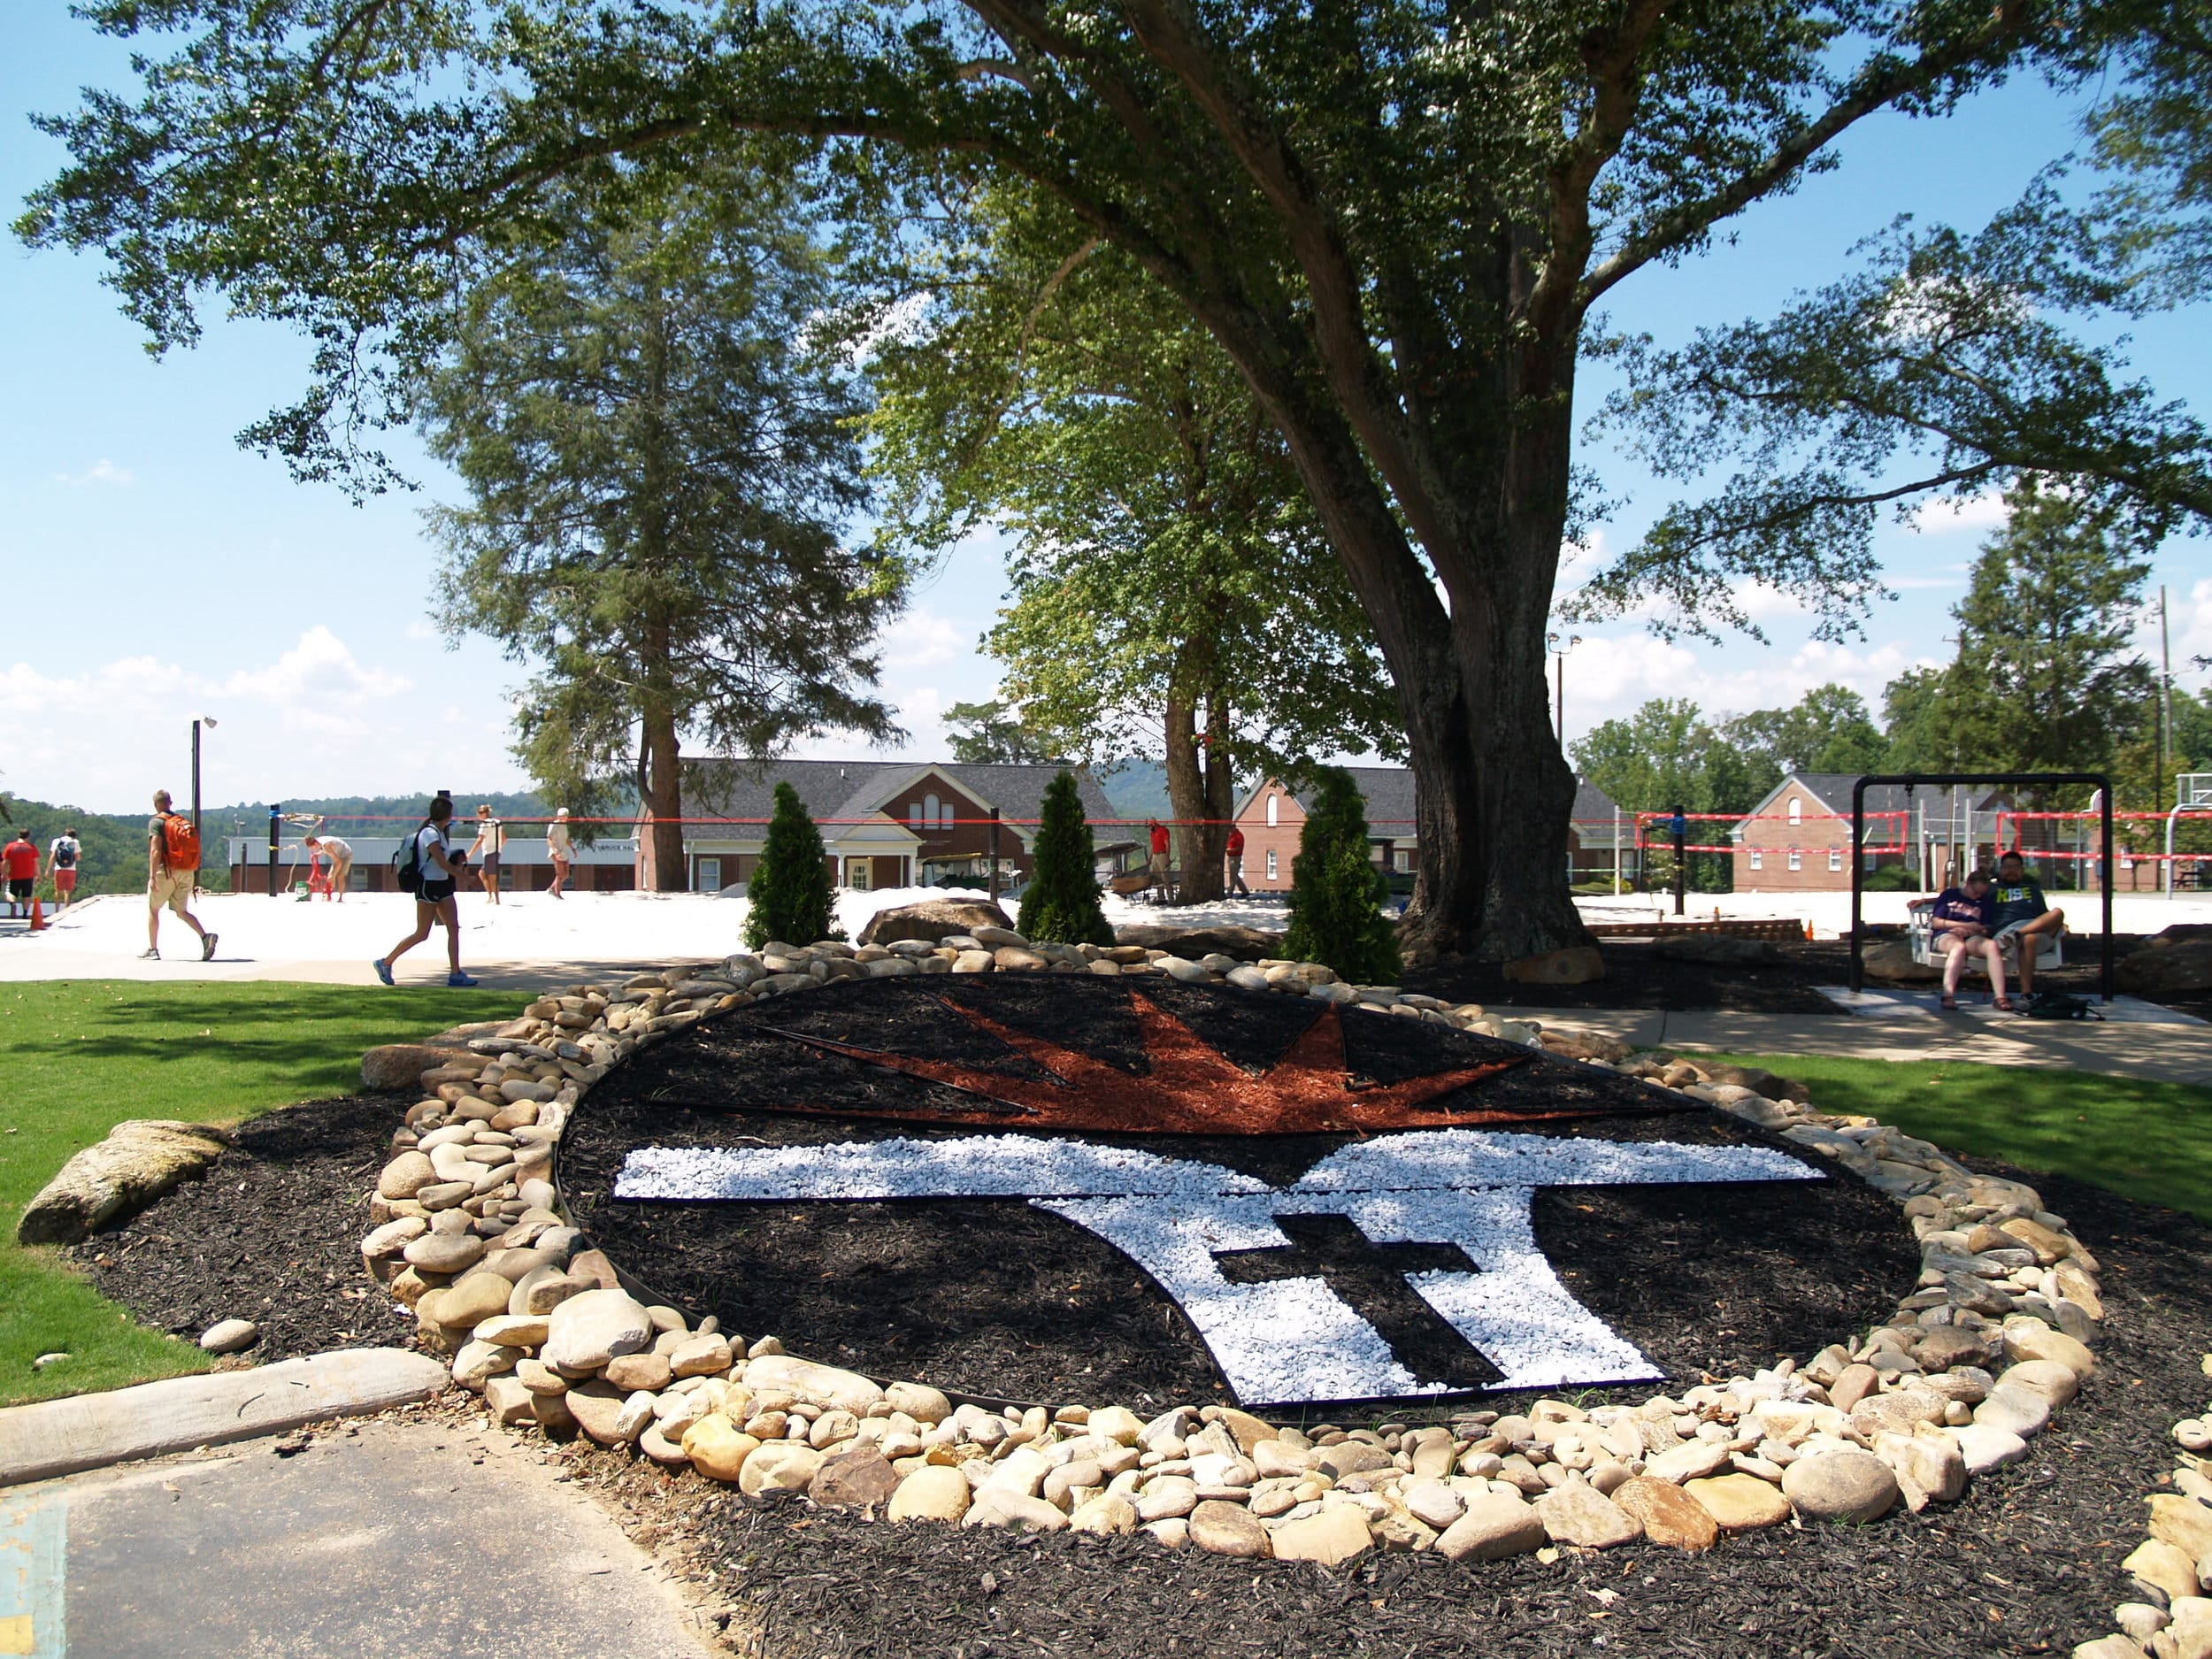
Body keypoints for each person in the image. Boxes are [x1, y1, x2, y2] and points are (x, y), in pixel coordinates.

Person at [375, 794, 476, 987]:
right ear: (446, 815)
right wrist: (464, 877)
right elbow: (440, 862)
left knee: (453, 928)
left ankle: (455, 973)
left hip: (443, 885)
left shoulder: (438, 833)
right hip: (428, 886)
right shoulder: (430, 834)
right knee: (422, 933)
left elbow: (443, 863)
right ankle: (385, 962)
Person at [1919, 867, 2008, 1012]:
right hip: (1946, 934)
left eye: (1981, 894)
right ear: (1968, 883)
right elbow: (1936, 922)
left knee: (1991, 946)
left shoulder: (1984, 902)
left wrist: (1972, 930)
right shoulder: (1950, 895)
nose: (1976, 897)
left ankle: (2000, 997)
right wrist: (1963, 925)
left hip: (1972, 936)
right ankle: (1948, 995)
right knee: (1958, 947)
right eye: (1975, 892)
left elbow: (1986, 928)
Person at [144, 788, 216, 960]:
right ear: (170, 803)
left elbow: (156, 850)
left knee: (153, 909)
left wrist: (153, 876)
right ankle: (205, 937)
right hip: (186, 871)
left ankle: (153, 949)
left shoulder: (157, 822)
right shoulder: (181, 822)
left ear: (155, 805)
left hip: (167, 871)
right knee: (181, 911)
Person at [1989, 849, 2066, 999]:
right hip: (2006, 934)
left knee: (2057, 912)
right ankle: (2026, 993)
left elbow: (2044, 915)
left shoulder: (2033, 890)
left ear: (2022, 870)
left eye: (2015, 867)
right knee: (2030, 938)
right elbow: (1965, 893)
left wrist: (2060, 924)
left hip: (2032, 930)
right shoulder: (1991, 890)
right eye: (2007, 867)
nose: (2011, 871)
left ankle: (2019, 934)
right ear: (2000, 870)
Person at [466, 803, 505, 904]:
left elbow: (480, 840)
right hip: (496, 851)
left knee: (492, 876)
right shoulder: (497, 822)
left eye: (479, 814)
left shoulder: (484, 824)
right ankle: (491, 896)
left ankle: (496, 899)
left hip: (490, 852)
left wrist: (470, 853)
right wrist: (499, 846)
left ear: (483, 814)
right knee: (482, 873)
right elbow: (504, 838)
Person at [302, 833, 354, 901]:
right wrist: (318, 854)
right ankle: (329, 894)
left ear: (314, 844)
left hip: (346, 855)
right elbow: (324, 850)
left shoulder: (326, 846)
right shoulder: (319, 841)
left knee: (340, 876)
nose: (313, 849)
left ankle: (340, 898)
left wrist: (333, 875)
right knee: (330, 876)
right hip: (338, 854)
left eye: (312, 848)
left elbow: (338, 861)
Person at [44, 826, 82, 909]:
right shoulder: (75, 842)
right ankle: (66, 909)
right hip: (71, 869)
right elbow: (78, 857)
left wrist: (48, 869)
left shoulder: (57, 841)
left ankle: (57, 910)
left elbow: (53, 856)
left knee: (58, 890)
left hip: (59, 868)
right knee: (68, 891)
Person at [3, 831, 38, 919]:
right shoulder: (31, 847)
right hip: (28, 875)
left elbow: (5, 862)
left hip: (14, 875)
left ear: (18, 835)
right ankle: (25, 913)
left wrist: (4, 874)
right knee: (27, 895)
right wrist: (38, 875)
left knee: (10, 893)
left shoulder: (10, 847)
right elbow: (36, 863)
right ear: (28, 836)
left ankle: (13, 903)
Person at [545, 807, 574, 900]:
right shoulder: (554, 824)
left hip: (563, 850)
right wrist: (554, 849)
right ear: (559, 816)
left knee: (566, 874)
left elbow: (566, 839)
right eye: (564, 815)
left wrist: (573, 849)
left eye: (566, 815)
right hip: (556, 850)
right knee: (560, 874)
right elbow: (549, 838)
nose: (566, 817)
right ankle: (557, 894)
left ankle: (552, 888)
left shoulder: (565, 825)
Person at [1147, 818, 1172, 903]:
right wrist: (1150, 859)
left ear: (1154, 824)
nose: (1149, 828)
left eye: (1150, 826)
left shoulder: (1163, 830)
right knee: (1157, 877)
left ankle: (1170, 898)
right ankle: (1161, 898)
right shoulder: (1152, 834)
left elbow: (1167, 844)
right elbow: (1152, 846)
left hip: (1162, 854)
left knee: (1165, 876)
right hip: (1155, 855)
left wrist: (1167, 857)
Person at [1225, 824, 1251, 897]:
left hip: (1235, 857)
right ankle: (1244, 891)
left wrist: (1228, 850)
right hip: (1231, 857)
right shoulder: (1231, 836)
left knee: (1233, 876)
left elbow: (1238, 848)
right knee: (1235, 875)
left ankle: (1230, 893)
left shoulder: (1238, 836)